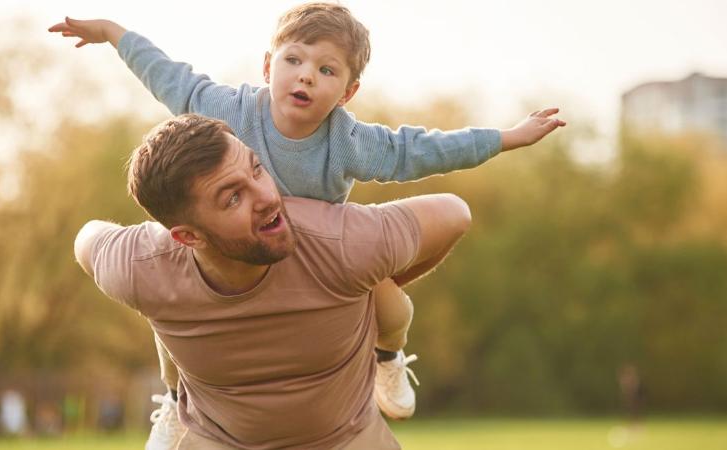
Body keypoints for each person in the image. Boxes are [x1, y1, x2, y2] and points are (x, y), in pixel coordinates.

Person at [50, 0, 566, 436]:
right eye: (294, 60)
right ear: (268, 66)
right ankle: (173, 403)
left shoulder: (350, 141)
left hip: (321, 260)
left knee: (393, 308)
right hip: (237, 253)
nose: (306, 76)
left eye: (326, 70)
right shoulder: (228, 111)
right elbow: (169, 77)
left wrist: (504, 138)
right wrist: (114, 34)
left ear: (346, 92)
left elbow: (421, 151)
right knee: (169, 329)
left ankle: (388, 360)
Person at [75, 114, 474, 449]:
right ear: (188, 237)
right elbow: (85, 242)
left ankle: (389, 355)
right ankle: (176, 398)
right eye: (233, 198)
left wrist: (367, 288)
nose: (266, 197)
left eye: (256, 169)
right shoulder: (141, 265)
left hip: (347, 439)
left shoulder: (338, 242)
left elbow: (454, 214)